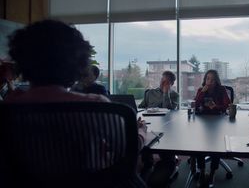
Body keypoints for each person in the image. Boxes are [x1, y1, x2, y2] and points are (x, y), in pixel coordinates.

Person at [4, 19, 147, 187]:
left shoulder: (8, 109)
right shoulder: (98, 108)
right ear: (79, 64)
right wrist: (141, 132)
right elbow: (127, 150)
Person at [193, 69, 231, 187]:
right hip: (203, 120)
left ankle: (213, 172)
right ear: (205, 79)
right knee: (200, 145)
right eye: (208, 78)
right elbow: (196, 104)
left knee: (216, 146)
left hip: (218, 120)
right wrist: (202, 93)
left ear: (217, 81)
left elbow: (227, 105)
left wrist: (216, 106)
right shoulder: (201, 90)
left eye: (213, 79)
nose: (210, 81)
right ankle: (202, 170)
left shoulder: (221, 90)